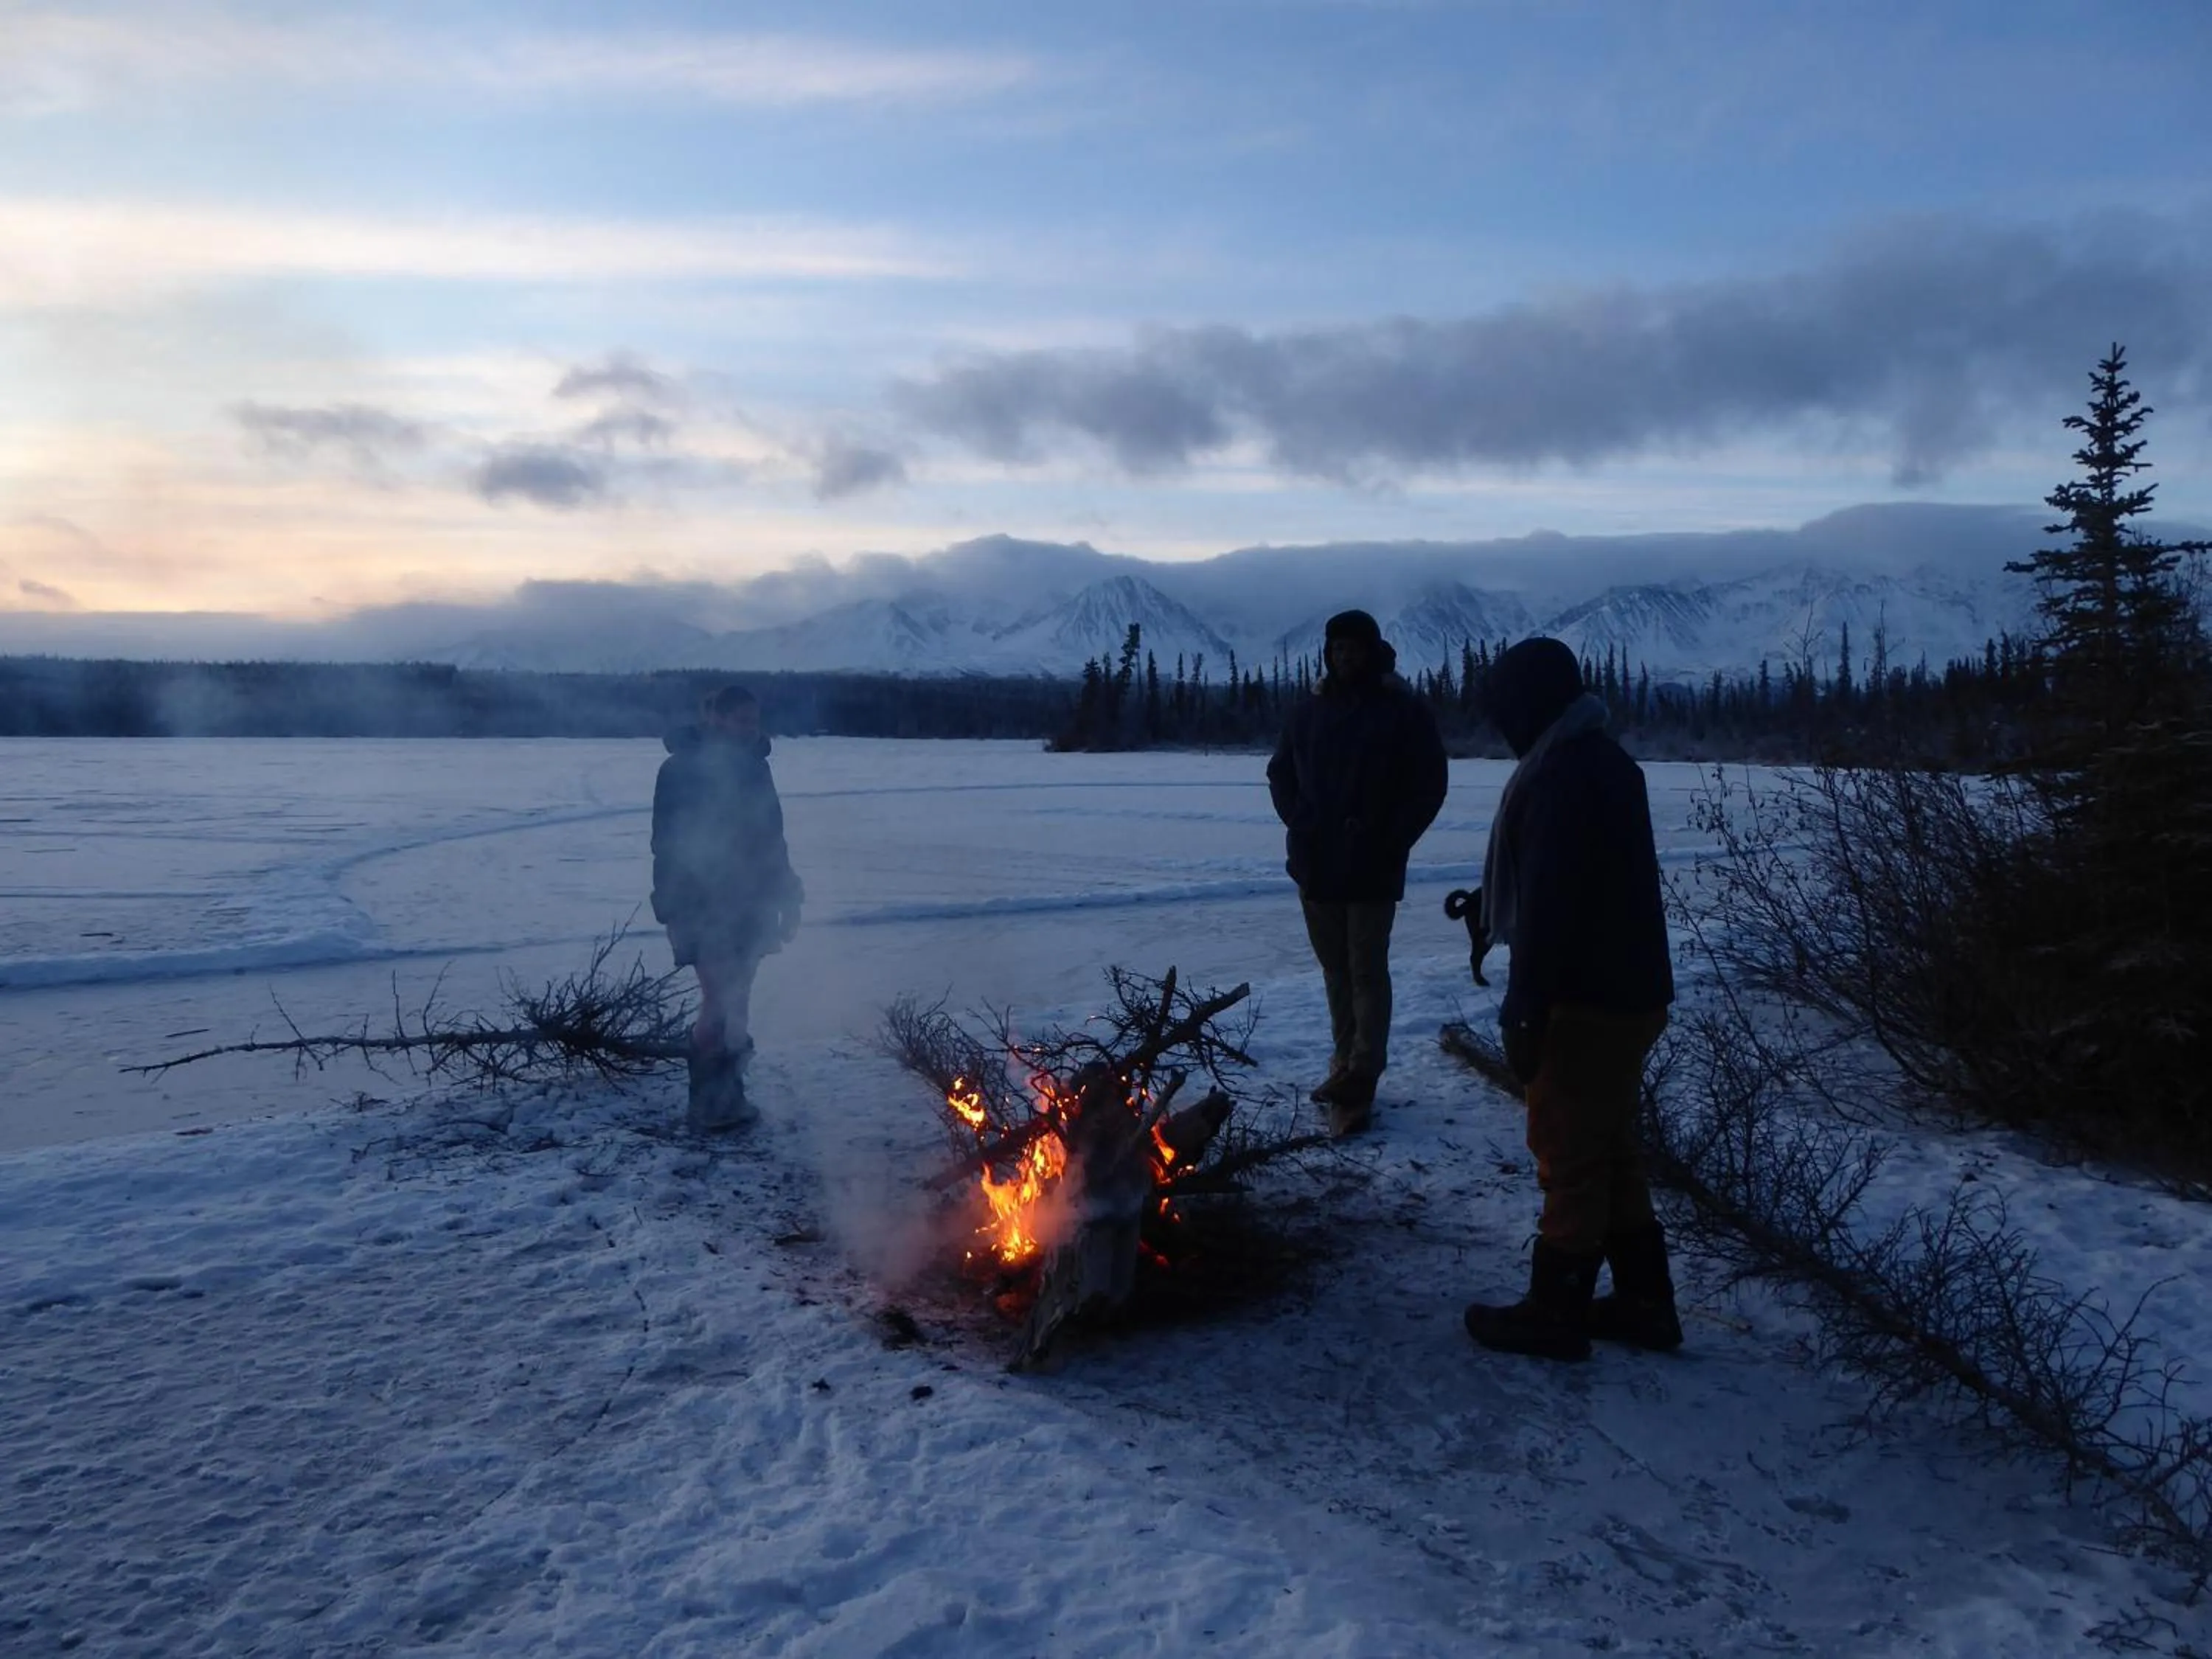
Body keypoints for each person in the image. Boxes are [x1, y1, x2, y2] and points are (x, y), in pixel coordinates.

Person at [1460, 637, 1677, 1362]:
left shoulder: (1560, 776)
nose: (1502, 727)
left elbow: (1553, 908)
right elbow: (1573, 885)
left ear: (1533, 704)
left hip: (1589, 999)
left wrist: (1526, 1008)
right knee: (1609, 1146)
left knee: (1567, 1152)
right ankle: (1647, 1303)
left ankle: (1556, 1311)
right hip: (1632, 989)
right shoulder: (1600, 760)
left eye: (1506, 711)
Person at [1267, 609, 1449, 1137]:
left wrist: (1390, 838)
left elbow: (1429, 785)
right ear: (1328, 653)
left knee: (1366, 967)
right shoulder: (1310, 710)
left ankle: (1363, 1073)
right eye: (1338, 649)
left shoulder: (1401, 711)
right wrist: (1300, 822)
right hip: (1316, 862)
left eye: (1355, 649)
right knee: (1335, 969)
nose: (1346, 657)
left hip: (1371, 863)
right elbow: (1281, 772)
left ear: (1373, 651)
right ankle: (1343, 1060)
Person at [650, 684, 804, 1132]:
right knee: (720, 998)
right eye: (740, 720)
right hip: (701, 903)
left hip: (750, 901)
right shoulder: (680, 770)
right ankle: (706, 1104)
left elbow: (771, 839)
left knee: (738, 1001)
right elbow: (668, 843)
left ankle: (729, 1096)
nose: (748, 728)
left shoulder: (755, 769)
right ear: (714, 718)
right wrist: (678, 906)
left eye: (753, 720)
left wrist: (787, 893)